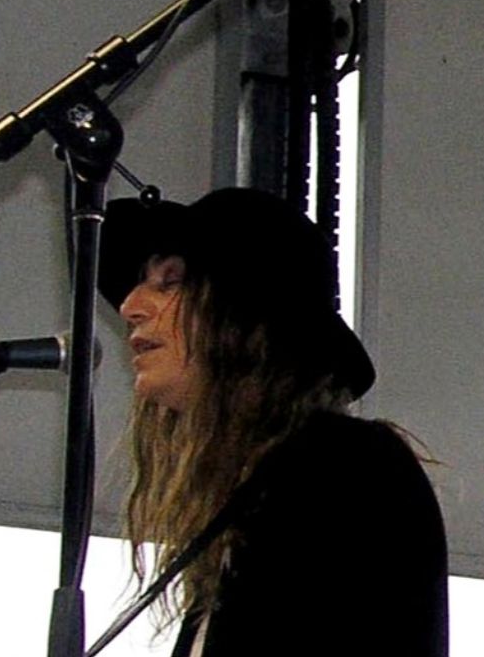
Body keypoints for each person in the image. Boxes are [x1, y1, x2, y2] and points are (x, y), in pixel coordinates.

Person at [98, 186, 449, 656]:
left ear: (245, 312)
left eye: (170, 282)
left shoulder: (344, 466)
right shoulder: (255, 493)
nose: (130, 306)